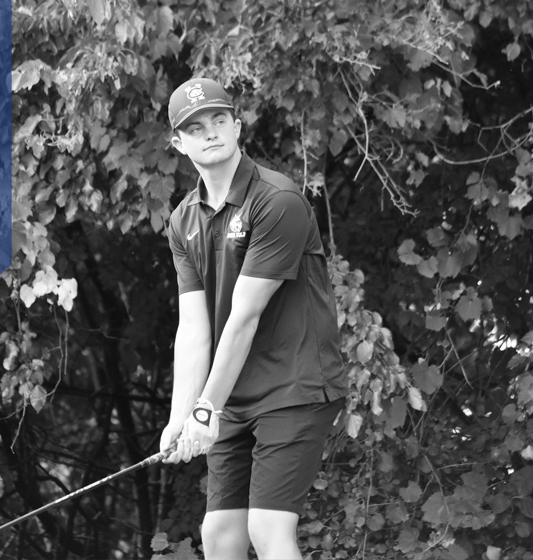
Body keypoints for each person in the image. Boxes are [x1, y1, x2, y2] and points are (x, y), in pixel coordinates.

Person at [159, 77, 349, 560]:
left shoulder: (276, 201)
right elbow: (193, 329)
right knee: (220, 537)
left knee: (268, 531)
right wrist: (183, 415)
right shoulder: (183, 222)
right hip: (233, 397)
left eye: (219, 120)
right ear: (178, 144)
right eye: (195, 128)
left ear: (238, 126)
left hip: (294, 383)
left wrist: (206, 409)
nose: (211, 132)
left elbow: (243, 318)